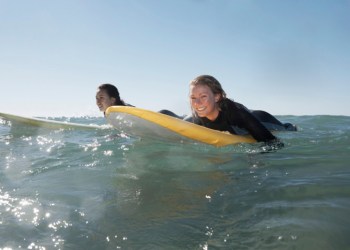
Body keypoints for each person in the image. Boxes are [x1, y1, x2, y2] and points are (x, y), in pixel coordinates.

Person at [187, 75, 296, 143]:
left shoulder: (236, 114)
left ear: (217, 97)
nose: (197, 103)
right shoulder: (195, 117)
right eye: (193, 97)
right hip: (242, 120)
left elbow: (272, 143)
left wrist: (254, 156)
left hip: (262, 120)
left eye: (203, 96)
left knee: (288, 129)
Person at [96, 83, 182, 118]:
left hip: (164, 115)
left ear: (112, 100)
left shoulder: (123, 112)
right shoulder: (110, 114)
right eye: (96, 98)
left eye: (101, 97)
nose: (98, 101)